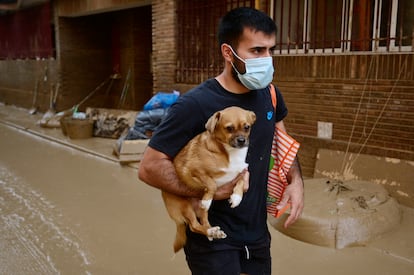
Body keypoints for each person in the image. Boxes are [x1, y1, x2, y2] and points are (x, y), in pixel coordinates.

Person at [138, 7, 304, 275]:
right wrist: (208, 190)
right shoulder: (195, 104)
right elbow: (149, 167)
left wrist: (295, 183)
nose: (267, 59)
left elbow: (280, 141)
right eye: (257, 51)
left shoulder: (270, 95)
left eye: (270, 50)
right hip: (213, 241)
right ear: (228, 53)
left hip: (257, 235)